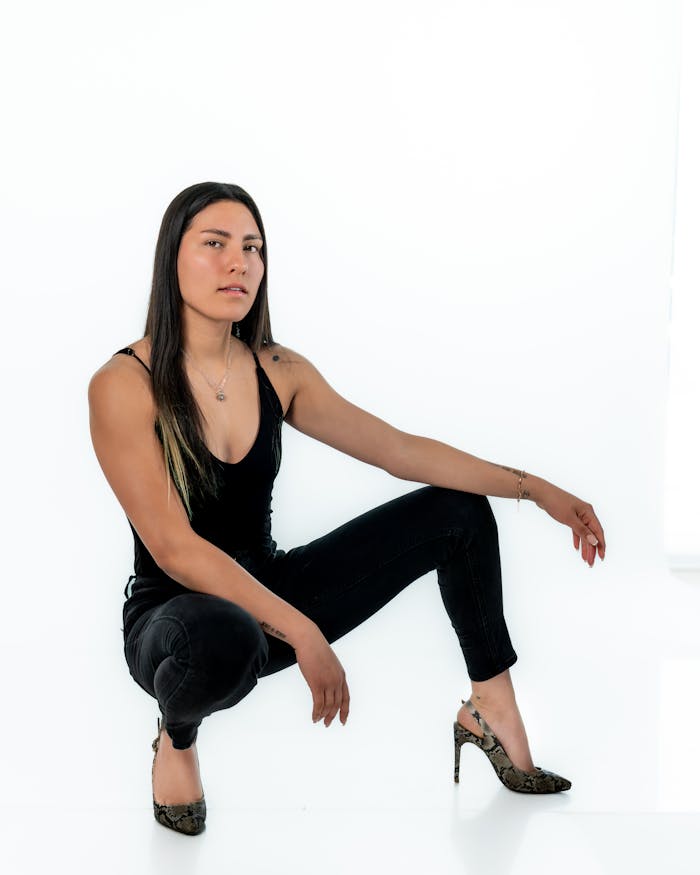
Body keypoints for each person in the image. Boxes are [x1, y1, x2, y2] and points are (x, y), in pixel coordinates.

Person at [88, 181, 606, 836]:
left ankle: (489, 710)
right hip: (176, 621)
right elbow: (172, 546)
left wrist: (536, 488)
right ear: (172, 260)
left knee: (457, 513)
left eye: (252, 248)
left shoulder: (278, 369)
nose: (238, 263)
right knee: (225, 632)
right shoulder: (124, 383)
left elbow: (397, 448)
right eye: (214, 245)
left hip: (271, 592)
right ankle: (178, 736)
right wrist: (302, 631)